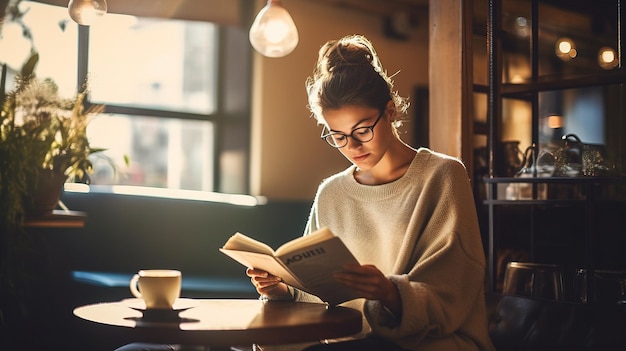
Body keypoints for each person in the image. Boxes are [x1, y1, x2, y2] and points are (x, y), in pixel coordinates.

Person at [247, 34, 495, 351]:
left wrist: (390, 292)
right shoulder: (332, 192)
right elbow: (317, 292)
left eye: (363, 130)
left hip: (431, 341)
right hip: (349, 340)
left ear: (390, 112)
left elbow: (453, 289)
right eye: (337, 136)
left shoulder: (442, 175)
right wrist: (282, 290)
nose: (352, 147)